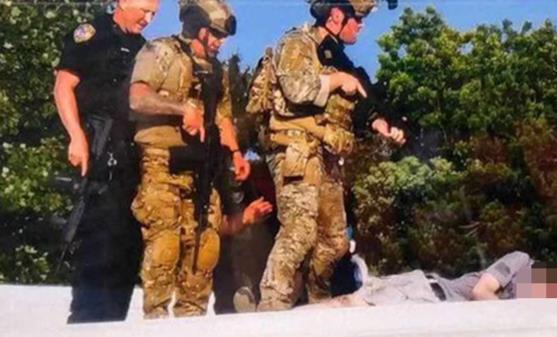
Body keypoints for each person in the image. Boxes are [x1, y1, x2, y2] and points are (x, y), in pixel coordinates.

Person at [251, 0, 406, 311]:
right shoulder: (299, 42)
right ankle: (271, 308)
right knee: (299, 231)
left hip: (327, 153)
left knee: (335, 242)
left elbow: (357, 106)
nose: (361, 25)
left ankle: (317, 303)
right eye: (357, 18)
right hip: (295, 148)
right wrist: (336, 80)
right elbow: (296, 89)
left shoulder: (339, 57)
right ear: (337, 15)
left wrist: (382, 124)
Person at [128, 0, 267, 318]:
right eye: (215, 33)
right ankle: (156, 320)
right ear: (197, 27)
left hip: (202, 168)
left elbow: (223, 117)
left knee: (204, 248)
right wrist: (181, 109)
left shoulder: (217, 69)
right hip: (161, 163)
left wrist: (235, 154)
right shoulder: (161, 51)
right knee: (165, 246)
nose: (220, 41)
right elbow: (137, 99)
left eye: (223, 35)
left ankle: (192, 321)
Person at [53, 0, 160, 323]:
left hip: (130, 160)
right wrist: (76, 136)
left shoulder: (145, 49)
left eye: (154, 14)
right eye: (143, 10)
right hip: (96, 152)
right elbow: (63, 86)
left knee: (126, 256)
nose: (148, 18)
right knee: (96, 253)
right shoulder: (92, 34)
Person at [303, 251, 557, 308]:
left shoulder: (531, 304)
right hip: (426, 293)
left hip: (432, 307)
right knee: (344, 309)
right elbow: (480, 291)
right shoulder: (521, 261)